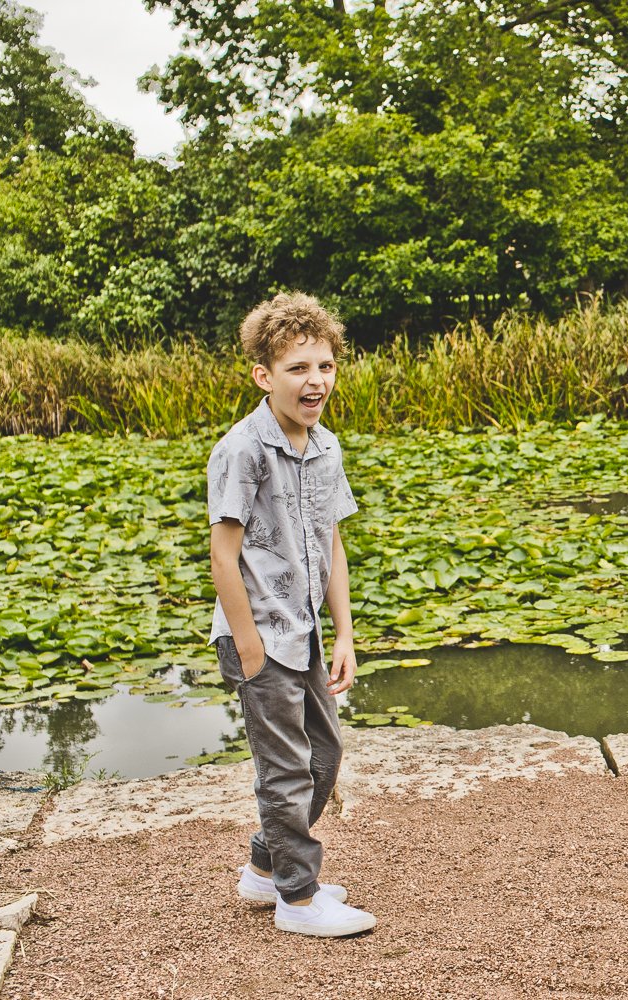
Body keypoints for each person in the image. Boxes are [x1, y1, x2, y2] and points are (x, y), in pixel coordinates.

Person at [208, 292, 377, 937]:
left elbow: (331, 540)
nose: (316, 382)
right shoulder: (241, 451)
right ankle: (298, 900)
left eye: (325, 367)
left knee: (323, 756)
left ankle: (264, 867)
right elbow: (224, 557)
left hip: (306, 631)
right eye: (299, 369)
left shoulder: (326, 447)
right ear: (264, 375)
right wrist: (250, 649)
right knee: (283, 769)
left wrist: (344, 634)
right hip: (260, 636)